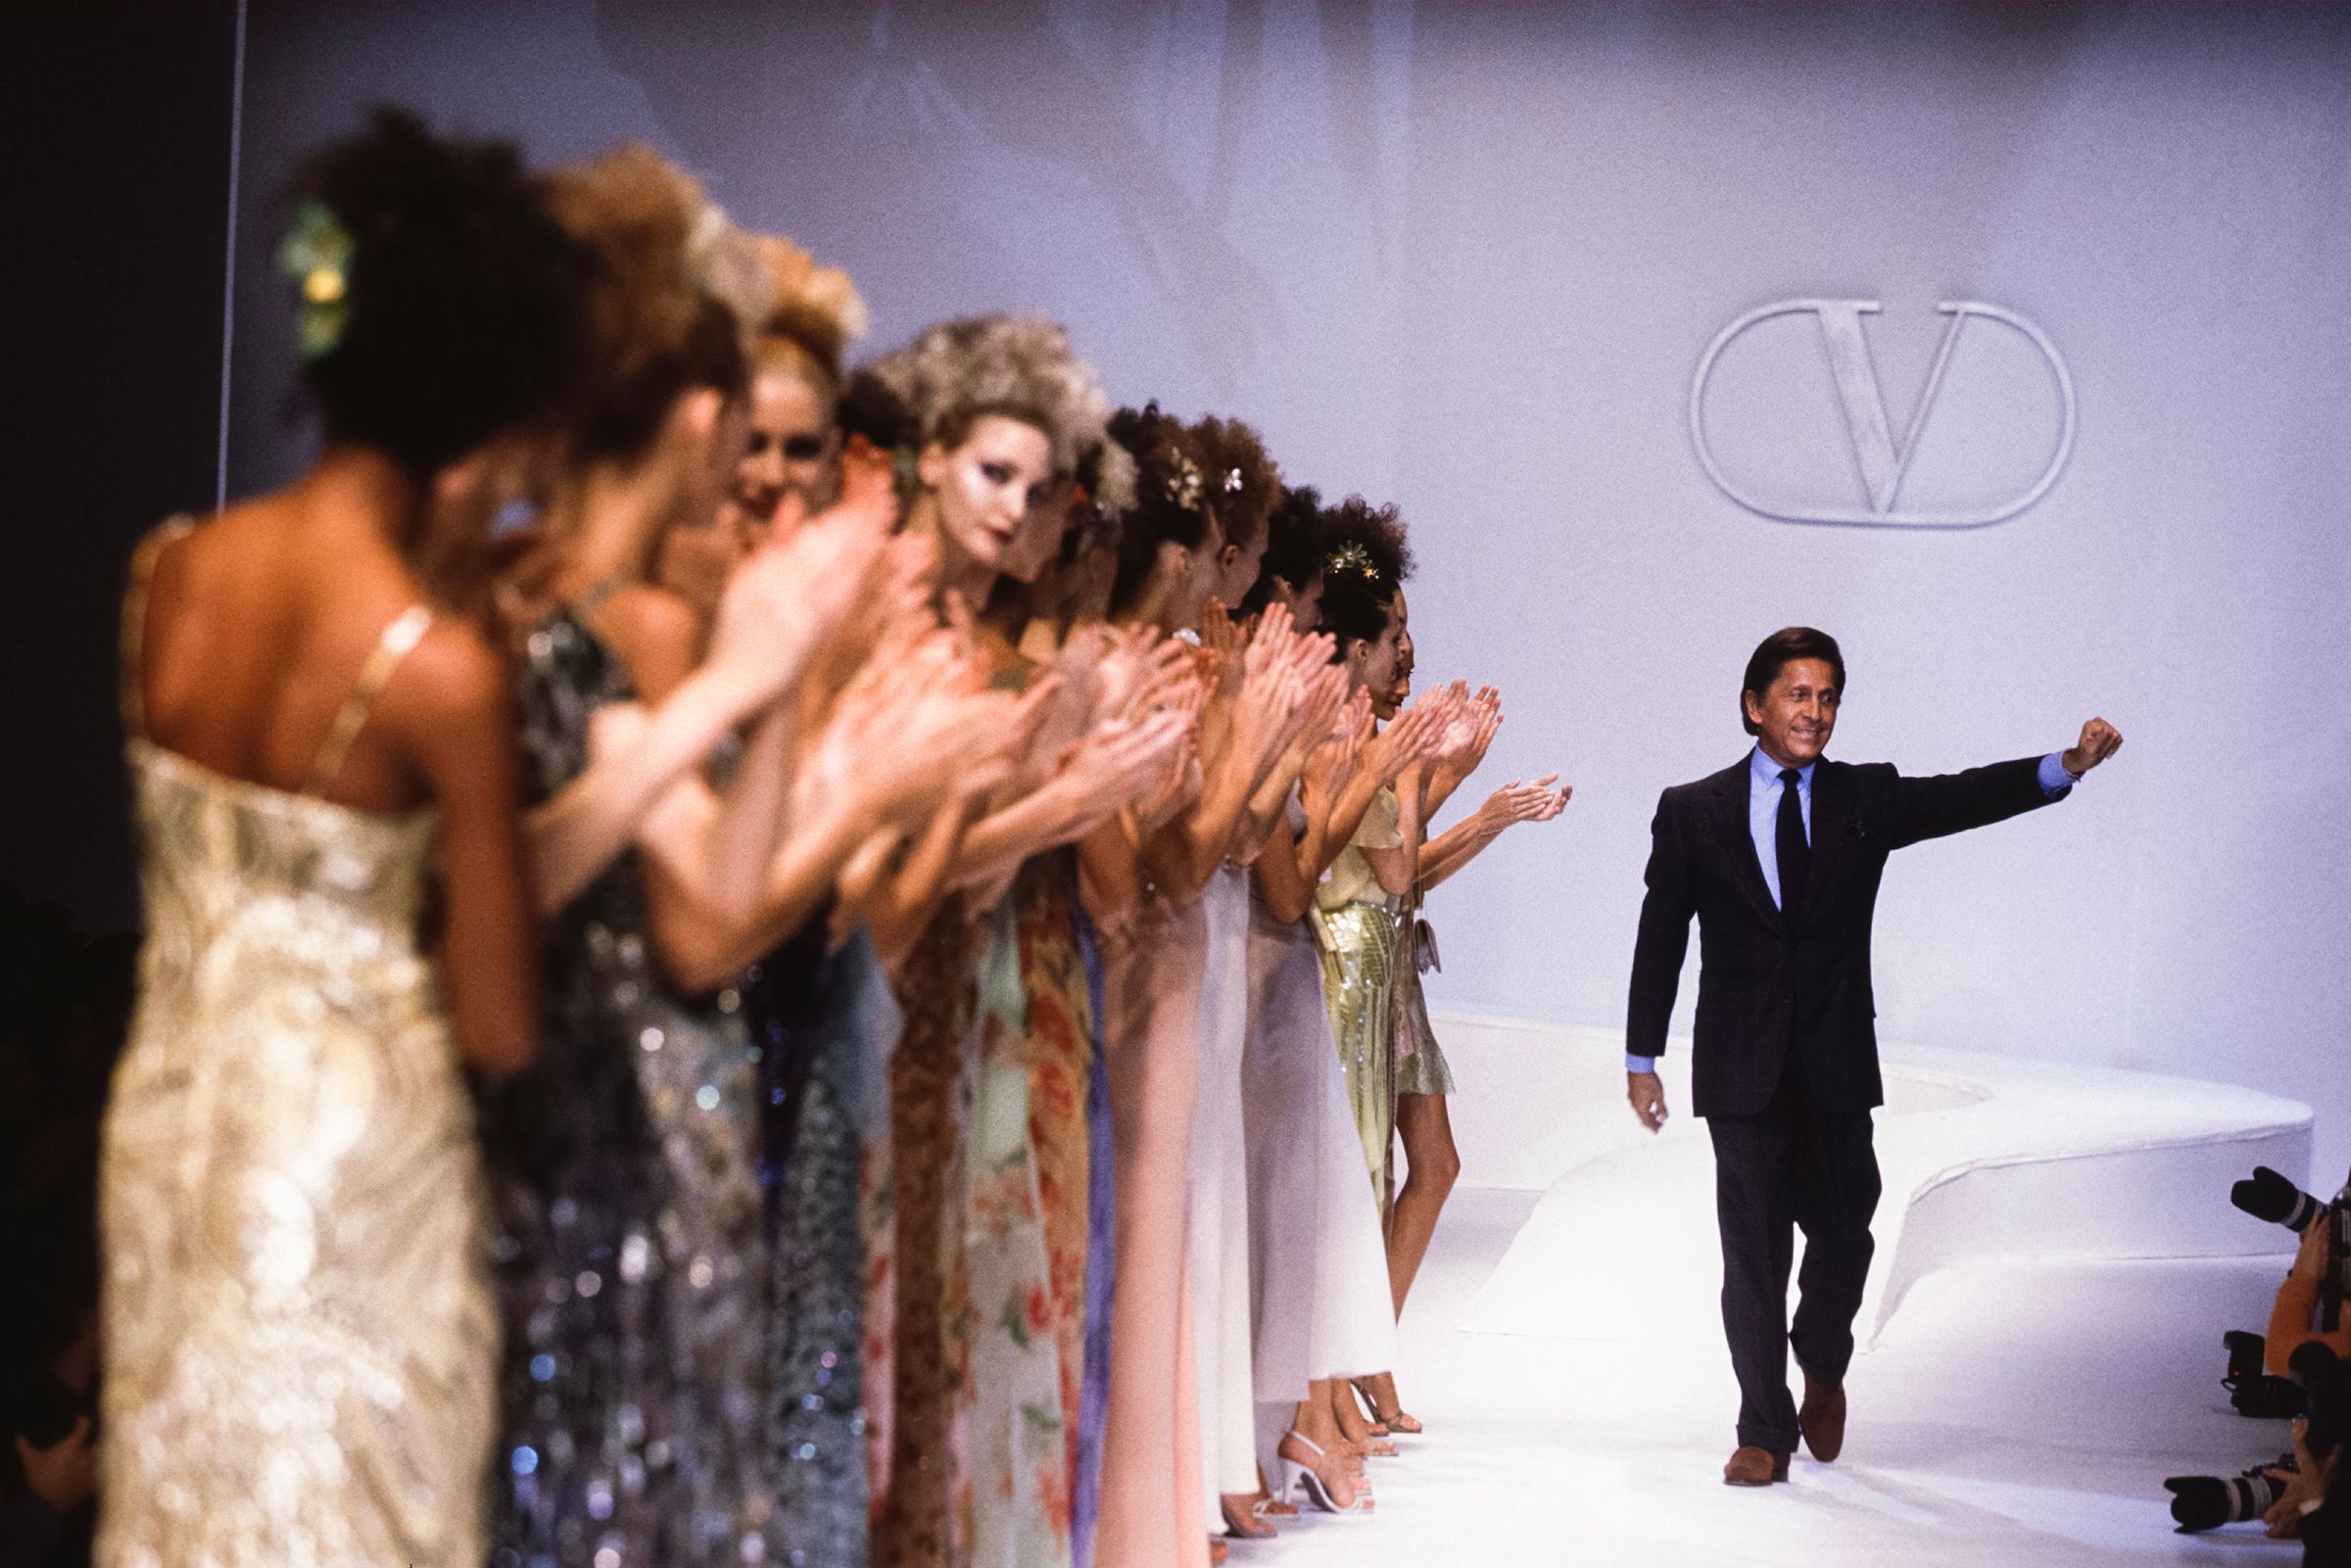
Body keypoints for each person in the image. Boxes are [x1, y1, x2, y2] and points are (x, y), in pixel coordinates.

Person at [98, 109, 588, 1566]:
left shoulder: (171, 572)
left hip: (174, 1118)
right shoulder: (434, 672)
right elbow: (499, 1021)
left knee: (190, 1498)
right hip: (353, 1159)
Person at [1623, 625, 2123, 1487]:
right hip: (1740, 1067)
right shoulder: (1693, 809)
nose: (1814, 712)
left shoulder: (1863, 796)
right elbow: (1660, 938)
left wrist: (2062, 767)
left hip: (1834, 1058)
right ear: (1754, 706)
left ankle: (1821, 1357)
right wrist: (1641, 1056)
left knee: (1847, 1231)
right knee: (1753, 1251)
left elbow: (1959, 798)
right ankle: (1760, 1427)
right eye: (1796, 695)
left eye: (1826, 698)